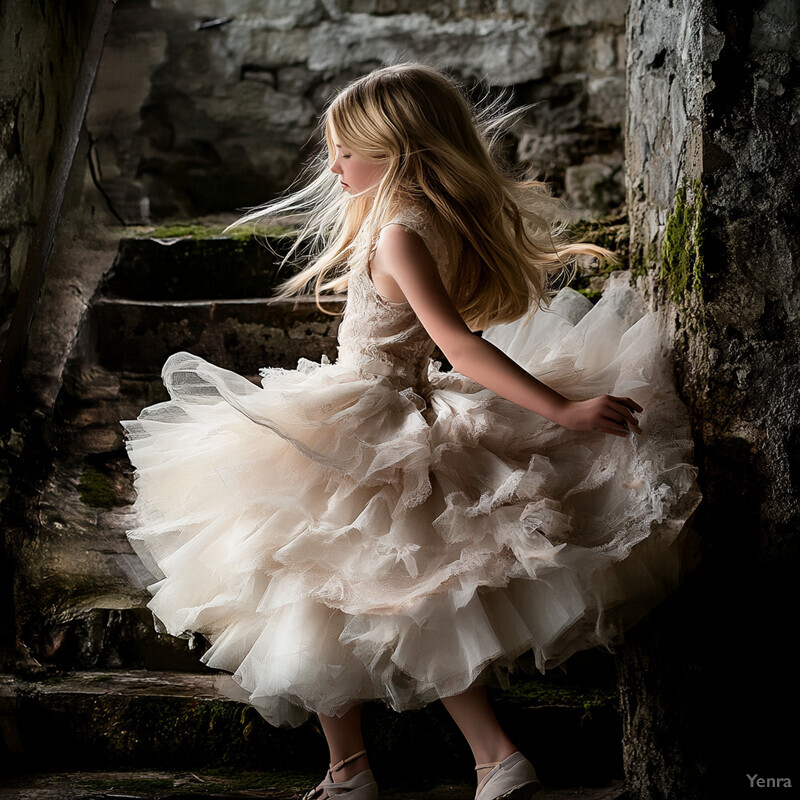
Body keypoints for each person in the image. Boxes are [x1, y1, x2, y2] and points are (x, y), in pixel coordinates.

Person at [122, 62, 702, 800]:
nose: (333, 166)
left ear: (396, 149)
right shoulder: (426, 222)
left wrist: (561, 409)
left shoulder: (397, 233)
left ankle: (362, 771)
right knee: (395, 594)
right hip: (392, 406)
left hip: (368, 414)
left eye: (346, 150)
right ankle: (480, 760)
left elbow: (459, 345)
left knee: (313, 584)